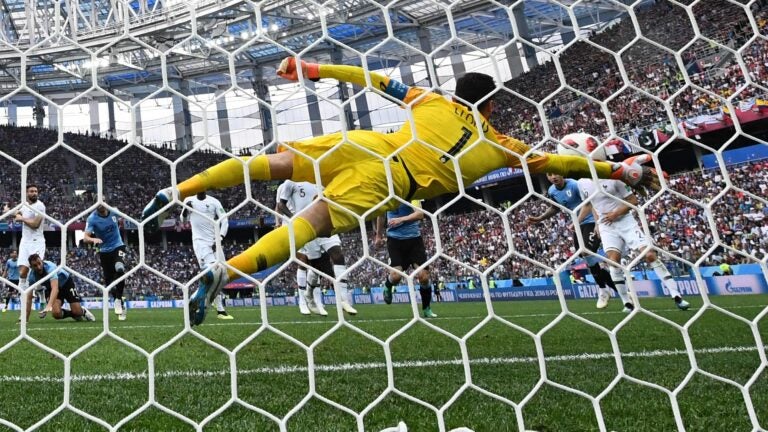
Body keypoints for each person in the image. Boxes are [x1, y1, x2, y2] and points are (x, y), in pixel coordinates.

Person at [141, 57, 661, 325]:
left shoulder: (429, 99)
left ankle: (178, 187)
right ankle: (225, 273)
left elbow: (373, 78)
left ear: (458, 95)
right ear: (493, 105)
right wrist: (621, 172)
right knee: (310, 225)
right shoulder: (503, 146)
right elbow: (568, 162)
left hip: (367, 143)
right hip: (391, 180)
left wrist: (313, 70)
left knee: (272, 163)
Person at [578, 178, 690, 312]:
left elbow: (633, 201)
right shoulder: (582, 183)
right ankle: (627, 303)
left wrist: (616, 213)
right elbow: (593, 205)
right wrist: (597, 224)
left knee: (649, 255)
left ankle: (676, 296)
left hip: (626, 222)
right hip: (606, 226)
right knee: (613, 262)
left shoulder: (613, 177)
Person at [527, 173, 619, 309]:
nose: (553, 177)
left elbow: (589, 203)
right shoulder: (552, 191)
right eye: (550, 175)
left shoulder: (575, 185)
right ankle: (615, 290)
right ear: (546, 177)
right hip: (578, 225)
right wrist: (540, 218)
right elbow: (555, 207)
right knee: (587, 259)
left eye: (556, 173)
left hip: (592, 221)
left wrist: (586, 222)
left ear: (562, 173)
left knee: (587, 253)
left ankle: (604, 289)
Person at [277, 180, 356, 316]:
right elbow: (279, 205)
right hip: (306, 227)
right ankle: (306, 297)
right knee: (311, 264)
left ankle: (343, 299)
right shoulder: (289, 183)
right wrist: (288, 220)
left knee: (338, 255)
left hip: (324, 224)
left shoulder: (321, 182)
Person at [375, 201, 436, 318]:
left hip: (414, 240)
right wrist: (378, 235)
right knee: (396, 277)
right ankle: (388, 285)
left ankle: (427, 308)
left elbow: (420, 214)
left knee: (423, 276)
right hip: (394, 240)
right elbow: (381, 215)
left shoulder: (412, 195)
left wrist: (401, 219)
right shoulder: (387, 196)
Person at [180, 191, 233, 324]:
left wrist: (220, 238)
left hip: (215, 242)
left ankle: (198, 299)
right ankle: (219, 309)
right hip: (200, 243)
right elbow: (183, 220)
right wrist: (186, 209)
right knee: (212, 274)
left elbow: (224, 220)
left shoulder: (214, 202)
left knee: (224, 276)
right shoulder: (189, 199)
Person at [83, 204, 128, 320]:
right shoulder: (92, 218)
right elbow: (85, 238)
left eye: (103, 201)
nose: (101, 204)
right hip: (104, 251)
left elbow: (125, 218)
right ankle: (121, 303)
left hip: (118, 246)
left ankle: (118, 299)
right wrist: (93, 239)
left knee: (120, 268)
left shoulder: (114, 210)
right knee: (109, 282)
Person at [27, 254, 95, 322]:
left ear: (42, 261)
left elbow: (55, 289)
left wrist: (48, 306)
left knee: (77, 312)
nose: (39, 267)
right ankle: (73, 314)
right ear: (31, 267)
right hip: (51, 288)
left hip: (66, 283)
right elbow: (29, 298)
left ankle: (83, 311)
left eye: (39, 263)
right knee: (56, 313)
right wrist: (25, 319)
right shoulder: (32, 277)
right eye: (35, 265)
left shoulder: (50, 267)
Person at [15, 184, 46, 323]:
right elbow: (15, 212)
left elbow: (35, 224)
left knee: (37, 270)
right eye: (31, 191)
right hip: (25, 242)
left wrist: (20, 218)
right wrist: (11, 211)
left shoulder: (40, 206)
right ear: (26, 193)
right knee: (22, 273)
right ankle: (24, 307)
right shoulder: (24, 205)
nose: (34, 193)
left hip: (37, 242)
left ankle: (40, 291)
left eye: (36, 191)